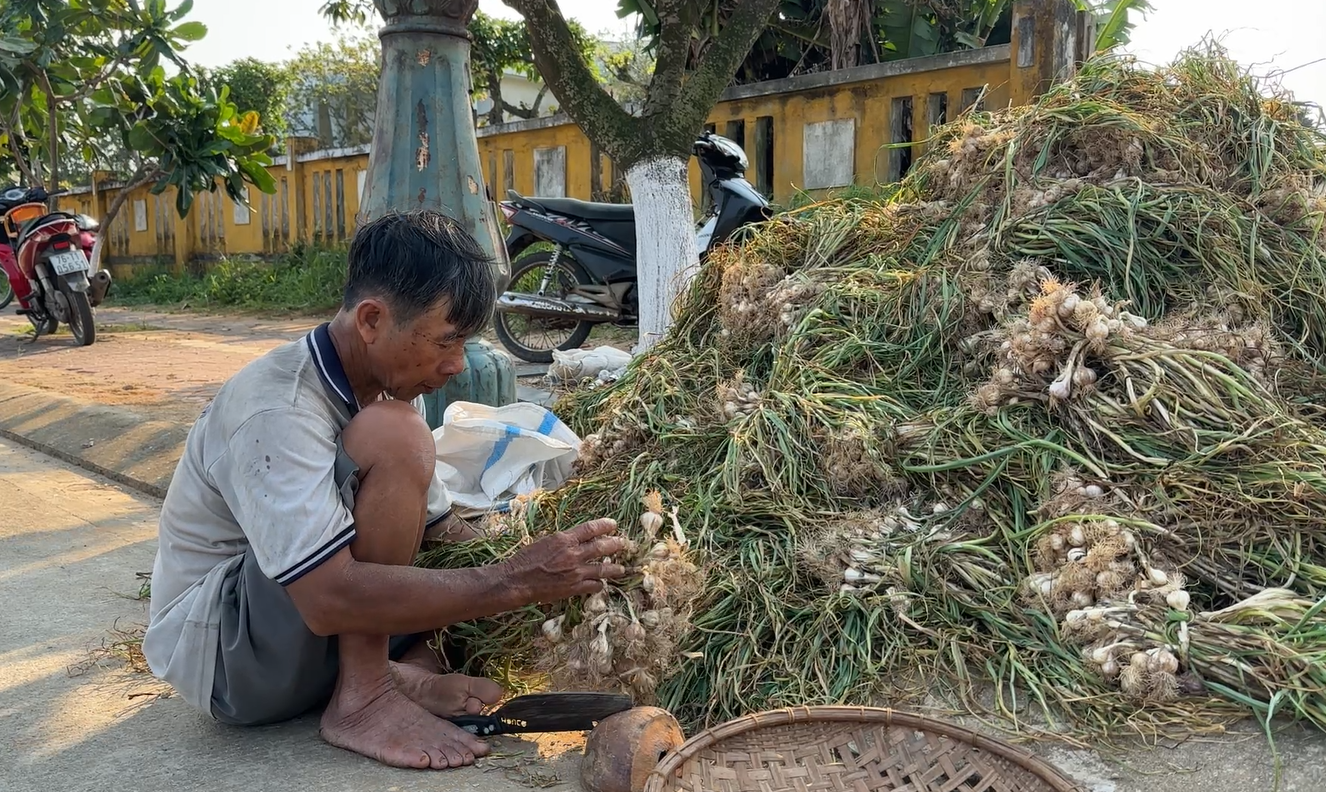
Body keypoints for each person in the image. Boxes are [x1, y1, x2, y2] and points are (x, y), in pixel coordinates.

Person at [142, 210, 627, 770]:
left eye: (465, 342)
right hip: (231, 659)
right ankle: (364, 697)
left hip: (296, 642)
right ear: (372, 319)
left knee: (465, 609)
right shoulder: (275, 406)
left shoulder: (389, 381)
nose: (455, 365)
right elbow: (327, 600)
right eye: (447, 341)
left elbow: (441, 530)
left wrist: (544, 563)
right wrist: (516, 580)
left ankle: (400, 677)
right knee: (398, 441)